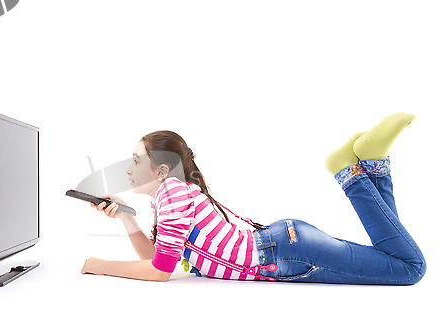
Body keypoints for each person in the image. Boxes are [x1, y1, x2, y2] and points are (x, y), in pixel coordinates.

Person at [81, 113, 426, 285]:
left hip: (288, 252)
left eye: (137, 161)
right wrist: (127, 218)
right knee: (395, 258)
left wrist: (101, 266)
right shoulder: (169, 196)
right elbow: (159, 258)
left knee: (410, 268)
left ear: (160, 171)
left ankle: (351, 172)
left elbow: (160, 272)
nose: (128, 169)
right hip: (287, 244)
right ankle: (370, 165)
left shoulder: (172, 193)